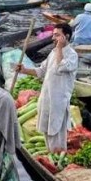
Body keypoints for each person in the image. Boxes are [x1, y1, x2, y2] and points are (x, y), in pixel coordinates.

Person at [15, 23, 77, 152]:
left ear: (66, 36)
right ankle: (50, 153)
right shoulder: (53, 52)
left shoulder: (72, 55)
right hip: (46, 97)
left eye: (57, 35)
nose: (53, 38)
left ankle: (58, 155)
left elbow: (62, 66)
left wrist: (60, 48)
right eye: (53, 35)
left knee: (56, 131)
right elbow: (41, 71)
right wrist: (24, 70)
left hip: (58, 101)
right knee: (46, 129)